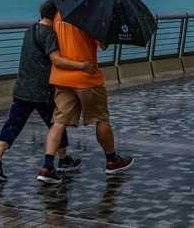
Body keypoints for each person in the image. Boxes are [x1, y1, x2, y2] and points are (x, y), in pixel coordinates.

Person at [0, 0, 92, 183]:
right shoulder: (49, 34)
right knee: (57, 124)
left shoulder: (30, 30)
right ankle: (62, 160)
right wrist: (82, 65)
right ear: (56, 15)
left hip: (22, 88)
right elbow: (56, 60)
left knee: (13, 125)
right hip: (42, 91)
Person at [37, 12, 134, 184]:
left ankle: (47, 166)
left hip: (61, 77)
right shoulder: (90, 17)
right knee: (101, 118)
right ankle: (112, 160)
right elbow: (103, 44)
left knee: (59, 121)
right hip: (86, 77)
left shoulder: (59, 16)